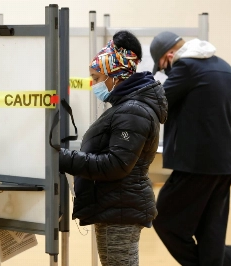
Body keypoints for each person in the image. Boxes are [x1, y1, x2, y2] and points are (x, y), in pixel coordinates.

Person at [59, 30, 168, 265]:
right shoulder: (128, 107)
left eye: (97, 78)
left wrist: (62, 158)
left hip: (120, 208)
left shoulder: (132, 111)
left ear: (115, 76)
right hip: (117, 205)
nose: (94, 85)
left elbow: (115, 165)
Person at [150, 31, 231, 266]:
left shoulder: (186, 67)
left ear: (169, 55)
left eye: (162, 67)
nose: (166, 73)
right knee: (211, 233)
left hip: (196, 166)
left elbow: (158, 104)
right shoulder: (225, 67)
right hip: (225, 165)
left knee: (163, 219)